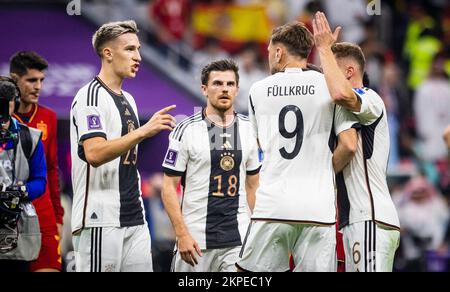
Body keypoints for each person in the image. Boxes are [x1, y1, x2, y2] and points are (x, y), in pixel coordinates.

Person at [236, 22, 358, 272]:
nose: (269, 55)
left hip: (272, 206)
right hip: (318, 208)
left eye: (270, 50)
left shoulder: (257, 90)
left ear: (279, 52)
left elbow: (260, 143)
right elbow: (349, 144)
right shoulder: (330, 86)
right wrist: (324, 171)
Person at [70, 20, 176, 272]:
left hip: (134, 216)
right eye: (130, 49)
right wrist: (143, 131)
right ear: (108, 53)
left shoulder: (129, 99)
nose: (138, 57)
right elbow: (94, 153)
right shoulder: (90, 96)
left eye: (138, 49)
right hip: (100, 219)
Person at [313, 11, 400, 272]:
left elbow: (349, 146)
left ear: (349, 71)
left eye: (329, 69)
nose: (325, 77)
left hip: (369, 218)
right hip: (360, 219)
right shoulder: (349, 107)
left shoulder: (368, 97)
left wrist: (324, 49)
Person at [162, 59, 261, 272]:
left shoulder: (249, 129)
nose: (224, 89)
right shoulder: (186, 130)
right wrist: (181, 234)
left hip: (238, 239)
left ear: (237, 89)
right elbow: (169, 187)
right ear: (204, 89)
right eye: (217, 83)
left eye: (230, 84)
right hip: (196, 241)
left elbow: (253, 186)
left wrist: (259, 232)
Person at [10, 51, 63, 272]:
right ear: (15, 80)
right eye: (32, 80)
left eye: (41, 80)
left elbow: (52, 169)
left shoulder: (49, 117)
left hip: (43, 213)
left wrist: (58, 214)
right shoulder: (6, 121)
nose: (38, 86)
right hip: (10, 214)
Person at [0, 76, 47, 272]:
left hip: (17, 226)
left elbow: (41, 180)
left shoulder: (31, 137)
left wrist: (22, 192)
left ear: (15, 103)